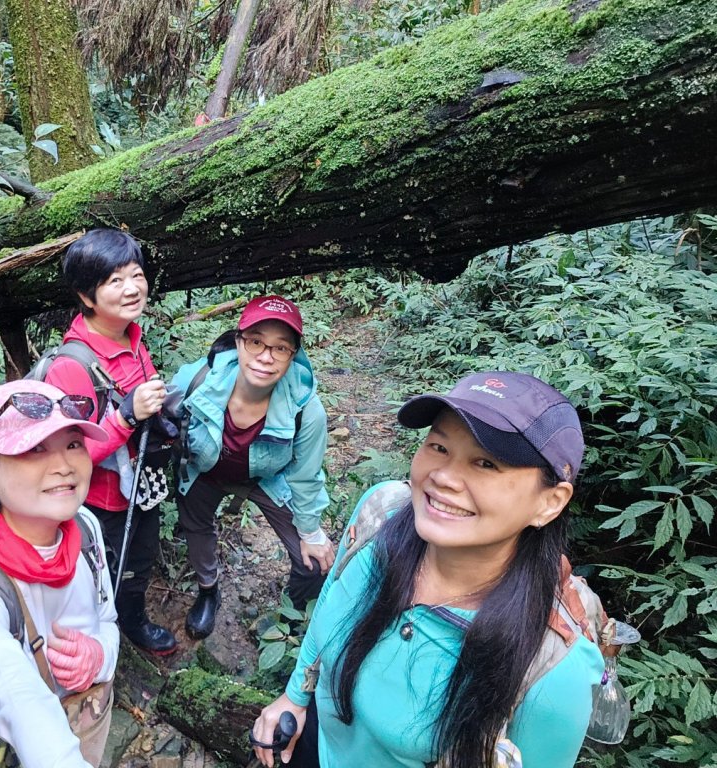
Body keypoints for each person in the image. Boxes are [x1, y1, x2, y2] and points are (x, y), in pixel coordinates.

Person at [252, 371, 606, 768]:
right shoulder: (382, 515)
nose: (443, 477)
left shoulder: (555, 672)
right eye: (439, 446)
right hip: (314, 746)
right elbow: (334, 601)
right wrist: (296, 696)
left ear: (550, 502)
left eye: (486, 463)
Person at [0, 379, 119, 767]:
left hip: (83, 721)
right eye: (33, 449)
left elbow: (108, 621)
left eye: (73, 444)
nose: (64, 466)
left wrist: (98, 658)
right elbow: (16, 696)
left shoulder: (85, 529)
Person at [43, 228, 176, 654]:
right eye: (114, 281)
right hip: (99, 501)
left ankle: (132, 622)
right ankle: (93, 645)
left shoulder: (132, 338)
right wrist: (125, 416)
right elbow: (69, 457)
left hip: (139, 484)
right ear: (87, 296)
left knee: (139, 561)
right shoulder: (73, 365)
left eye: (136, 275)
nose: (132, 288)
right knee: (99, 571)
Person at [172, 295, 335, 639]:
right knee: (196, 527)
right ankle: (207, 590)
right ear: (238, 341)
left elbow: (306, 476)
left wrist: (311, 533)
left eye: (280, 348)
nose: (265, 356)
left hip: (268, 478)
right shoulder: (196, 380)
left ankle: (288, 622)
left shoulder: (306, 409)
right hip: (205, 471)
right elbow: (158, 421)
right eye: (256, 342)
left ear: (294, 355)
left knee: (312, 562)